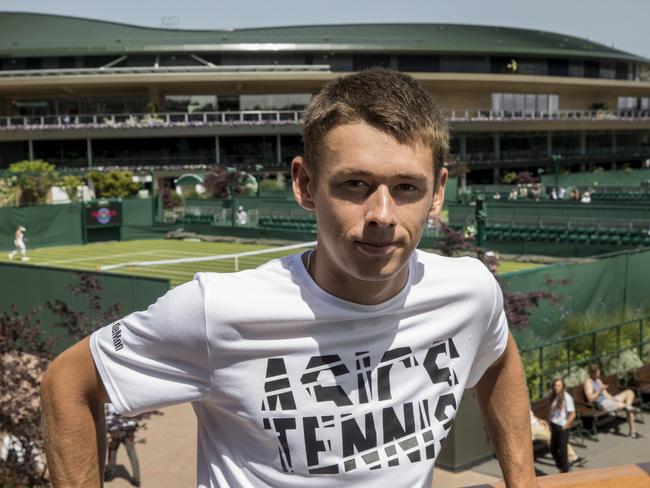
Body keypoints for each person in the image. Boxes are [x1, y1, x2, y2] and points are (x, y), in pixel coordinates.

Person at [41, 69, 536, 487]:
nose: (382, 213)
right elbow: (68, 382)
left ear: (438, 192)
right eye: (355, 184)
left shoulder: (469, 290)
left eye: (407, 187)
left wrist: (523, 483)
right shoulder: (216, 309)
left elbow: (498, 359)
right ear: (305, 184)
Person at [583, 363, 640, 438]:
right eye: (597, 372)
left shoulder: (598, 380)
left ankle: (628, 406)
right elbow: (590, 398)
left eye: (599, 371)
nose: (599, 373)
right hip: (601, 403)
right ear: (592, 373)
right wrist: (599, 390)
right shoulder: (588, 383)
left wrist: (613, 400)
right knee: (626, 408)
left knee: (630, 392)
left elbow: (605, 393)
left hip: (608, 400)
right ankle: (632, 432)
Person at [104, 404, 141, 487]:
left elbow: (110, 417)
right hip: (129, 429)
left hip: (116, 431)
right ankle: (136, 478)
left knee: (112, 452)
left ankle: (109, 474)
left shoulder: (111, 402)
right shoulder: (128, 400)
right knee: (132, 453)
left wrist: (108, 429)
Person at [548, 378, 575, 473]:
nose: (556, 388)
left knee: (563, 451)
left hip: (561, 427)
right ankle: (561, 468)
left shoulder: (567, 398)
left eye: (558, 386)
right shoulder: (554, 397)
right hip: (554, 426)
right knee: (553, 449)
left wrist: (566, 425)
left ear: (563, 386)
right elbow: (553, 413)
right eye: (555, 385)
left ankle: (565, 471)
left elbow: (572, 413)